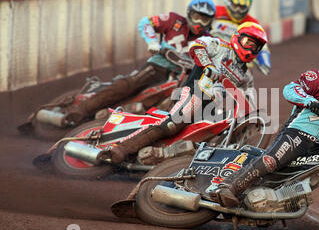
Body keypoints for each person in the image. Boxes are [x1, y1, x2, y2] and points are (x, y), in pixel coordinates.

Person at [214, 47, 319, 208]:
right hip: (297, 133)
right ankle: (229, 187)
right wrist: (310, 101)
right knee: (271, 160)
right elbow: (289, 89)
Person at [98, 21, 268, 164]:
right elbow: (197, 46)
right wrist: (207, 65)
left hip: (209, 107)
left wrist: (254, 117)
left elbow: (248, 97)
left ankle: (162, 157)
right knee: (172, 125)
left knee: (209, 135)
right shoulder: (219, 46)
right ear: (237, 38)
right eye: (249, 43)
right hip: (194, 92)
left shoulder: (246, 76)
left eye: (256, 47)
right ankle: (120, 149)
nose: (251, 49)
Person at [62, 0, 216, 126]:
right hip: (158, 66)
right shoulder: (173, 19)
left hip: (181, 78)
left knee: (185, 103)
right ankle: (80, 111)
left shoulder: (209, 40)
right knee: (128, 84)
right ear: (189, 14)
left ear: (210, 22)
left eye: (204, 20)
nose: (199, 23)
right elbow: (145, 22)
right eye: (197, 17)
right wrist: (152, 41)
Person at [211, 0, 271, 75]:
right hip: (213, 58)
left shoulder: (253, 23)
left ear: (248, 7)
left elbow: (262, 45)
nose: (238, 11)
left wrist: (264, 61)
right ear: (228, 3)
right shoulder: (215, 12)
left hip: (241, 65)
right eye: (235, 6)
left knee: (246, 86)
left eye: (242, 7)